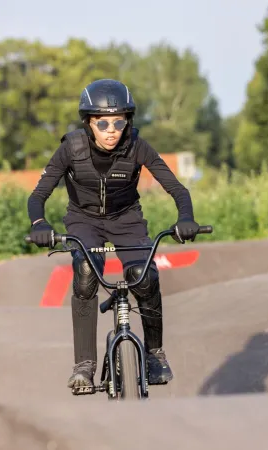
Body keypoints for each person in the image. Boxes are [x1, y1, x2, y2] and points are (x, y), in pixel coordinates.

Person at [27, 79, 200, 389]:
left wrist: (185, 218)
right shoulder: (72, 147)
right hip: (84, 220)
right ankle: (84, 365)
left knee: (144, 276)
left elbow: (176, 188)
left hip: (126, 219)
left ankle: (155, 354)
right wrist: (39, 223)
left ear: (127, 122)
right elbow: (38, 195)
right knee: (85, 273)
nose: (111, 129)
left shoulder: (137, 146)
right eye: (102, 122)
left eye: (118, 121)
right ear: (89, 123)